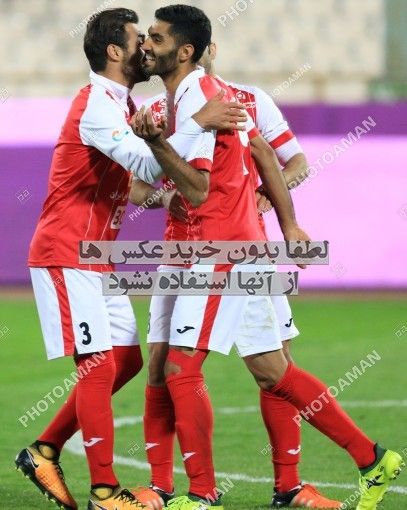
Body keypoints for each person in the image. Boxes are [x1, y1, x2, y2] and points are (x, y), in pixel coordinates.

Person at [129, 5, 403, 510]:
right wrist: (287, 224)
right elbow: (245, 156)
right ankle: (370, 458)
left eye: (156, 38)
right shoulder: (184, 101)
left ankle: (203, 494)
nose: (146, 45)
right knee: (269, 370)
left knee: (181, 367)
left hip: (220, 248)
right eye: (145, 36)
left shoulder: (217, 98)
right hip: (198, 248)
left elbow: (245, 170)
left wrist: (286, 222)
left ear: (190, 51)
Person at [15, 8, 247, 510]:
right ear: (114, 51)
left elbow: (136, 182)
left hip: (98, 259)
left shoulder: (123, 105)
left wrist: (165, 198)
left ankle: (44, 449)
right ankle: (105, 491)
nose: (145, 46)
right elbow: (145, 160)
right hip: (66, 252)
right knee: (98, 365)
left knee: (127, 360)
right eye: (137, 38)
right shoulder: (96, 105)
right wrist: (199, 121)